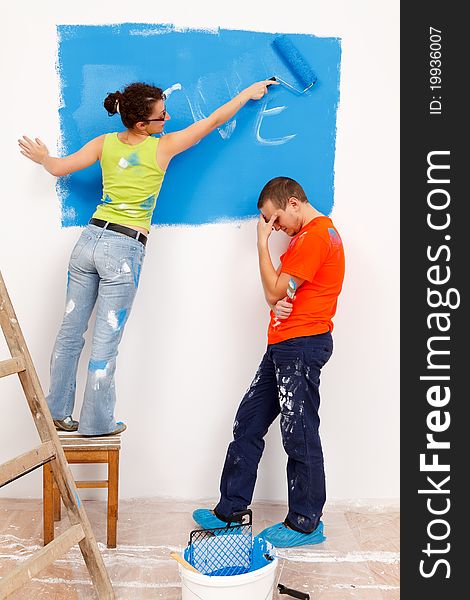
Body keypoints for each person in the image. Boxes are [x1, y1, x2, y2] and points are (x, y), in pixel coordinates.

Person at [18, 79, 277, 436]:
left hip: (88, 242)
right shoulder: (162, 148)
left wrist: (43, 157)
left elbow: (60, 168)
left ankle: (56, 412)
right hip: (122, 251)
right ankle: (96, 423)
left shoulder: (104, 144)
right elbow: (214, 121)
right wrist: (247, 95)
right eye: (161, 117)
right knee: (105, 342)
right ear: (142, 124)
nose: (167, 119)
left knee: (69, 333)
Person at [193, 176, 345, 548]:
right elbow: (278, 295)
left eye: (274, 219)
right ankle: (230, 511)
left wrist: (261, 245)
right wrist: (278, 297)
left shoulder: (315, 236)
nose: (273, 227)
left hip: (301, 345)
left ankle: (305, 523)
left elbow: (275, 290)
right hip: (283, 344)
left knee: (300, 433)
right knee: (248, 422)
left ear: (293, 203)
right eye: (268, 225)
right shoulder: (304, 240)